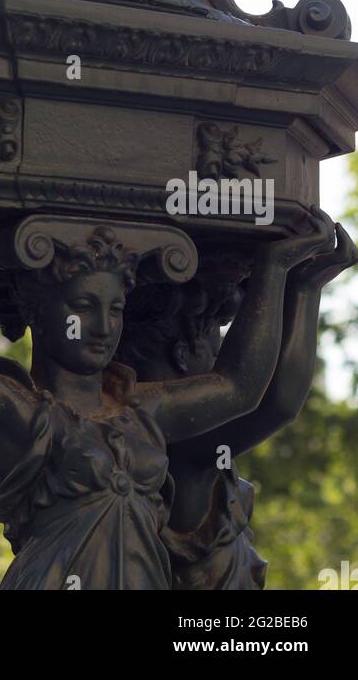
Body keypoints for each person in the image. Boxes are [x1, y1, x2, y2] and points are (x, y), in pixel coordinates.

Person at [0, 158, 336, 590]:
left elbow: (242, 386)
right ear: (38, 313)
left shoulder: (140, 410)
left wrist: (277, 270)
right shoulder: (23, 416)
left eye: (115, 308)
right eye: (83, 307)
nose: (104, 327)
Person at [118, 216, 356, 589]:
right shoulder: (174, 452)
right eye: (218, 346)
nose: (220, 359)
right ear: (186, 354)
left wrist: (295, 282)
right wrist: (298, 284)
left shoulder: (142, 439)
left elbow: (264, 398)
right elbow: (276, 403)